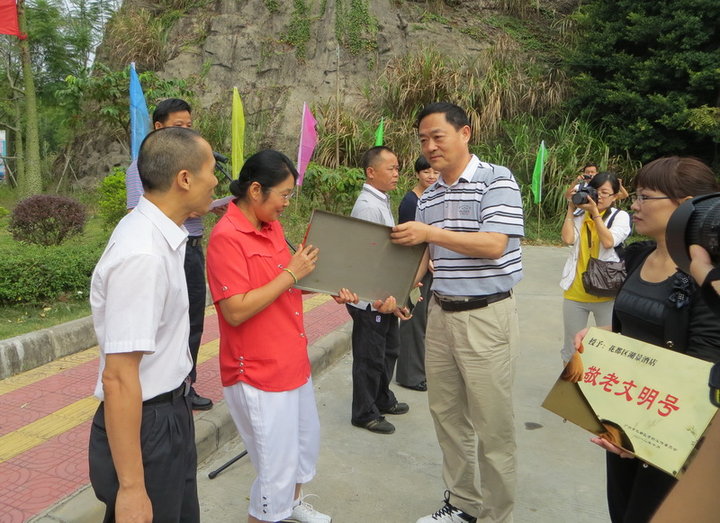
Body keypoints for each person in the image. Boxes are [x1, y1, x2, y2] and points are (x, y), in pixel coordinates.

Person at [205, 149, 358, 523]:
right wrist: (291, 274)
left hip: (291, 361)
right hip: (257, 372)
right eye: (284, 195)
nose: (287, 204)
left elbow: (283, 282)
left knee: (302, 449)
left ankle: (294, 506)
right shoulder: (227, 237)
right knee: (274, 472)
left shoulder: (269, 225)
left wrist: (324, 284)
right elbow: (235, 309)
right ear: (256, 190)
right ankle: (275, 511)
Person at [392, 102, 524, 523]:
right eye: (423, 139)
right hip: (441, 313)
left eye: (438, 136)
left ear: (465, 133)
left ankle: (496, 515)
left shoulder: (496, 180)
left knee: (492, 425)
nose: (430, 146)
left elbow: (493, 245)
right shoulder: (428, 196)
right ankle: (464, 504)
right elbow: (427, 256)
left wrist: (429, 232)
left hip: (486, 315)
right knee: (447, 415)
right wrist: (396, 292)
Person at [569, 156, 720, 523]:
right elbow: (632, 329)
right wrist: (603, 337)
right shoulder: (639, 257)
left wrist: (646, 438)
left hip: (673, 436)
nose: (633, 204)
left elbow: (703, 365)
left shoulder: (708, 279)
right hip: (624, 422)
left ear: (685, 206)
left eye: (644, 196)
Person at [89, 127, 217, 522]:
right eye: (211, 169)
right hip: (149, 424)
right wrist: (131, 487)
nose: (216, 181)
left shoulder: (164, 236)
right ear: (184, 178)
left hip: (169, 412)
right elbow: (119, 377)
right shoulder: (142, 253)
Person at [125, 98, 215, 411]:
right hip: (170, 247)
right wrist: (188, 208)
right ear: (159, 127)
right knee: (169, 324)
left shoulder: (190, 166)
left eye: (190, 126)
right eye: (180, 127)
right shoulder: (142, 168)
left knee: (192, 321)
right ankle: (168, 387)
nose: (187, 132)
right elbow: (138, 209)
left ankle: (186, 384)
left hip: (191, 247)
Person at [346, 145, 411, 434]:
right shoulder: (369, 206)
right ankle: (364, 412)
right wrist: (377, 299)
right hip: (371, 299)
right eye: (391, 168)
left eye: (397, 168)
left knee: (388, 350)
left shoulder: (381, 200)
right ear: (371, 172)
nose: (397, 173)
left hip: (384, 295)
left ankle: (381, 397)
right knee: (370, 356)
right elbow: (367, 257)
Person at [559, 172, 631, 381]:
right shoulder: (580, 215)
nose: (598, 197)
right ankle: (571, 395)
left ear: (615, 196)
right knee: (571, 348)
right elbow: (567, 239)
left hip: (606, 293)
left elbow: (608, 242)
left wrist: (596, 215)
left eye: (604, 193)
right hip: (575, 292)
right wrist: (571, 210)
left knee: (607, 347)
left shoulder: (620, 217)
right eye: (595, 191)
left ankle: (601, 393)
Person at [395, 155, 438, 392]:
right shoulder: (412, 202)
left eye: (435, 173)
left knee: (422, 321)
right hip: (415, 269)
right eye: (426, 172)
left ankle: (416, 371)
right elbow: (409, 241)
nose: (431, 177)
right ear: (417, 174)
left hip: (427, 265)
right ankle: (410, 376)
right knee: (413, 320)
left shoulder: (428, 197)